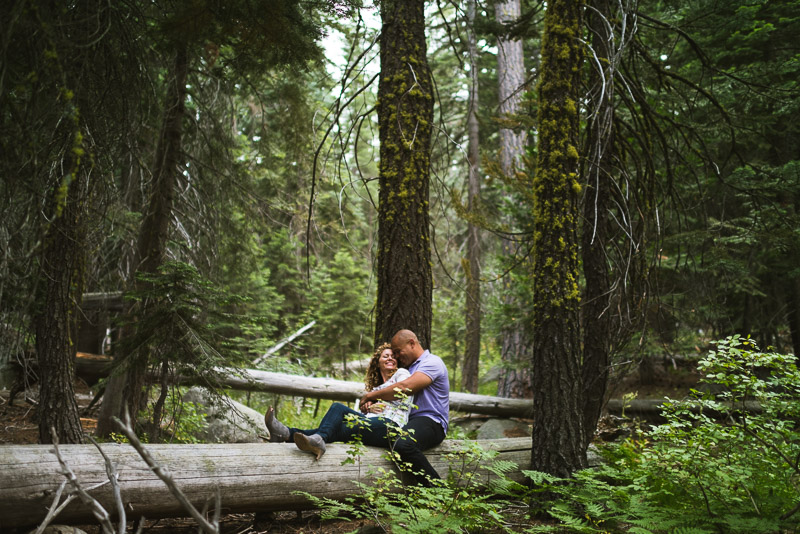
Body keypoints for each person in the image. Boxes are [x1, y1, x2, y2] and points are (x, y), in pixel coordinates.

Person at [264, 342, 411, 460]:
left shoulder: (401, 373)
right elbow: (368, 413)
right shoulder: (377, 387)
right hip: (373, 424)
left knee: (334, 427)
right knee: (337, 409)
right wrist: (368, 408)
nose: (390, 358)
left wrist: (372, 397)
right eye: (386, 356)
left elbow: (403, 393)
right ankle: (292, 435)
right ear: (377, 362)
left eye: (393, 356)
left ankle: (289, 434)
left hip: (391, 426)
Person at [359, 329, 450, 485]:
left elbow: (405, 388)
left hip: (431, 421)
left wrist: (369, 396)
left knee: (403, 443)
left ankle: (437, 491)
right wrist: (370, 405)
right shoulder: (408, 369)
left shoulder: (431, 362)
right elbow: (389, 393)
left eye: (398, 351)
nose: (397, 356)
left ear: (412, 343)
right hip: (407, 422)